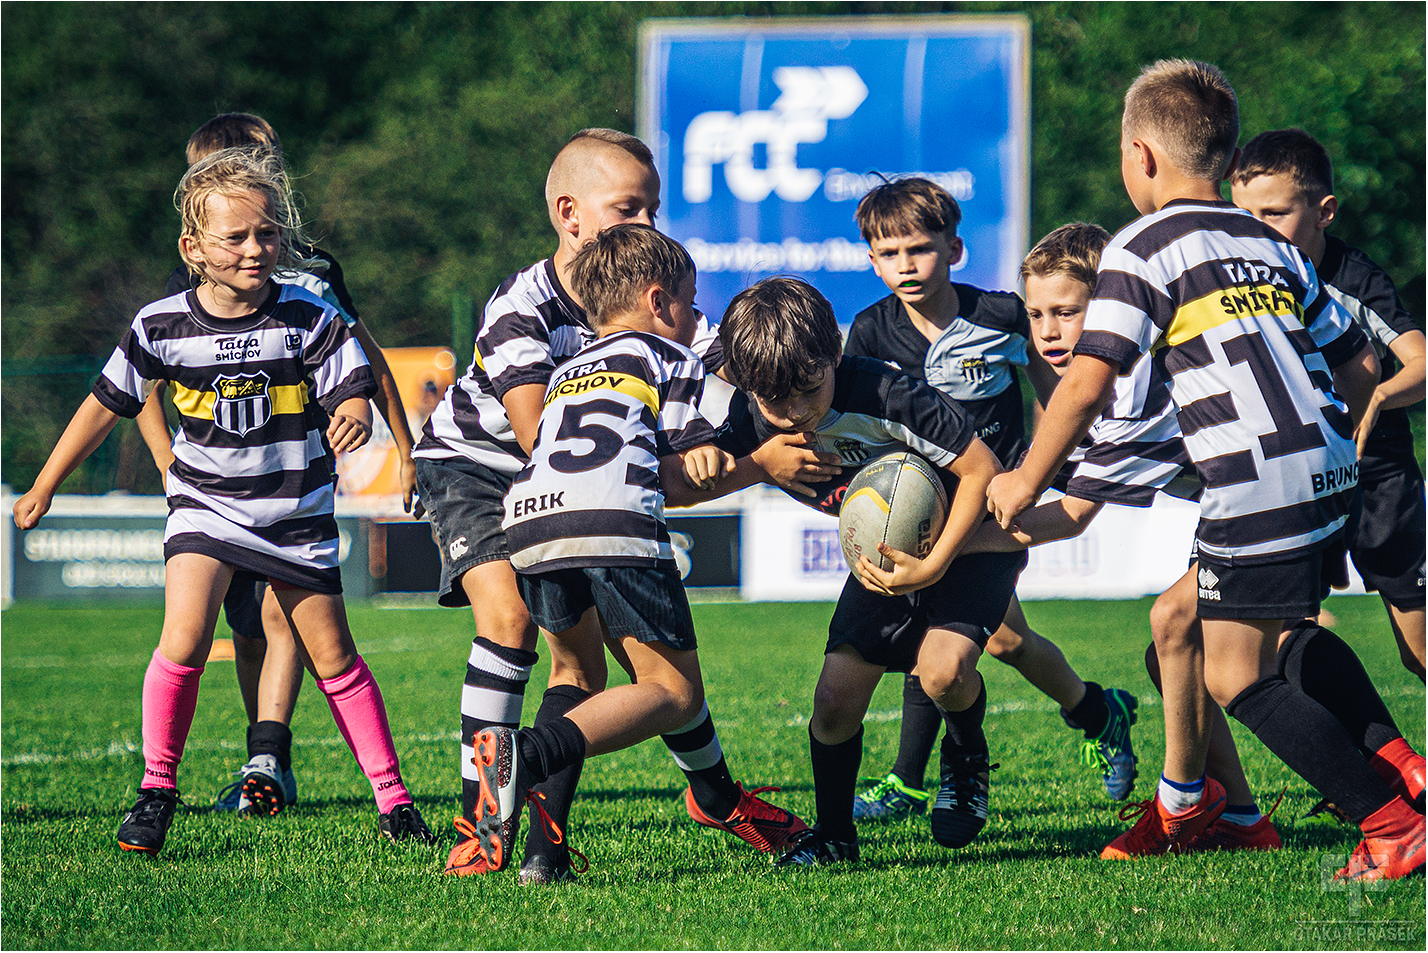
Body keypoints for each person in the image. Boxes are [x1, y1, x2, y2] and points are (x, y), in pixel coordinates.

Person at [985, 59, 1422, 882]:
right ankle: (1397, 768)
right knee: (1259, 635)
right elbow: (1360, 362)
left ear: (1141, 156)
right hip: (1330, 472)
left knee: (1231, 673)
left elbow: (1087, 381)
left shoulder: (1141, 246)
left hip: (1254, 483)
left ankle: (1390, 822)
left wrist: (1024, 479)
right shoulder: (1267, 241)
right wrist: (1336, 440)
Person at [12, 146, 433, 854]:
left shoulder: (309, 316)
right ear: (194, 249)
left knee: (336, 658)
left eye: (267, 233)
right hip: (206, 508)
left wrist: (355, 411)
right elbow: (105, 404)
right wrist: (45, 483)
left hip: (295, 513)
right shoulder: (159, 325)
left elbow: (353, 382)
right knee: (183, 639)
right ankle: (156, 791)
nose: (255, 249)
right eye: (235, 237)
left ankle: (394, 800)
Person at [416, 129, 811, 883]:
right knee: (528, 631)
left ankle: (561, 843)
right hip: (476, 465)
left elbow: (717, 389)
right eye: (630, 208)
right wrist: (752, 462)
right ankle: (480, 823)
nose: (648, 223)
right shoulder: (522, 307)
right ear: (569, 214)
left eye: (654, 208)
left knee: (599, 668)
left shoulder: (645, 304)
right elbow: (540, 438)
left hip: (552, 495)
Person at [136, 113, 419, 818]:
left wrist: (405, 447)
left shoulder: (313, 272)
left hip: (294, 479)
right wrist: (167, 459)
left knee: (285, 611)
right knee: (245, 625)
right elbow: (141, 375)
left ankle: (269, 755)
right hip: (219, 489)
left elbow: (367, 361)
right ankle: (256, 754)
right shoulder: (196, 273)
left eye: (260, 168)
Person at [842, 179, 1139, 822]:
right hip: (915, 516)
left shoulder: (1005, 315)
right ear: (871, 260)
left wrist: (1039, 470)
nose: (905, 265)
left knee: (939, 649)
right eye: (889, 253)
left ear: (954, 249)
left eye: (919, 249)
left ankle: (908, 782)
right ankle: (1098, 711)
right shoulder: (869, 331)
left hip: (991, 516)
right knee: (1007, 641)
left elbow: (1060, 396)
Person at [706, 275, 1018, 865]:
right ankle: (835, 839)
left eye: (809, 390)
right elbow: (689, 481)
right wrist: (755, 465)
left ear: (836, 353)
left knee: (943, 674)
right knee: (833, 700)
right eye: (775, 401)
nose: (796, 413)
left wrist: (934, 564)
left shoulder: (889, 394)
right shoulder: (753, 417)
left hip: (968, 544)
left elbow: (983, 470)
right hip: (881, 560)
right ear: (745, 385)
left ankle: (966, 757)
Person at [1230, 127, 1426, 680]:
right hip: (1294, 475)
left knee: (1418, 652)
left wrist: (1377, 395)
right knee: (1276, 645)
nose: (1256, 230)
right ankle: (1356, 736)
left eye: (1273, 214)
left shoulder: (1355, 280)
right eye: (1243, 215)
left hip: (1376, 474)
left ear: (1324, 213)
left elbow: (1421, 365)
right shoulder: (1236, 281)